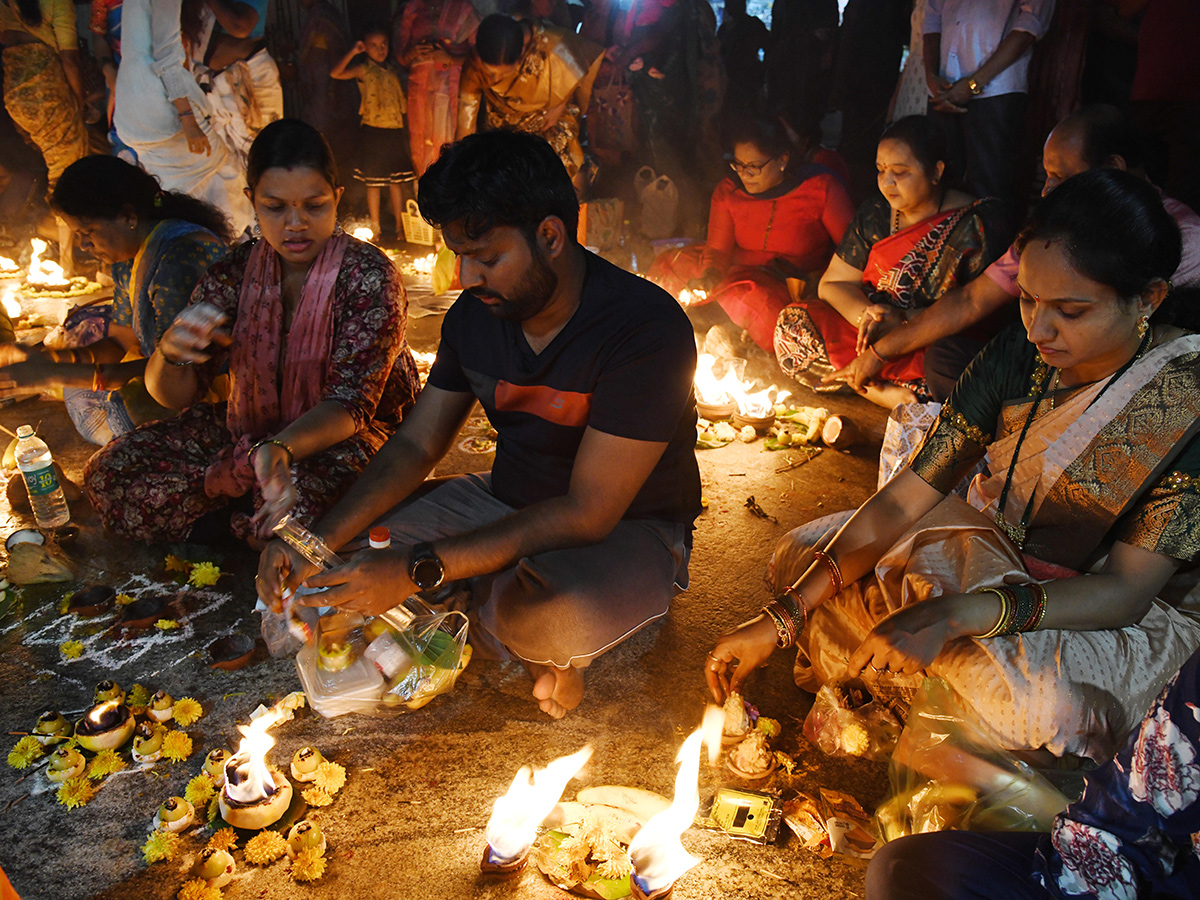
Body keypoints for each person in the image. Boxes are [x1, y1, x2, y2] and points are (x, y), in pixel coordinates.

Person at [708, 169, 1200, 762]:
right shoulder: (1018, 354)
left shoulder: (1185, 399)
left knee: (1041, 705)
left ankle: (942, 682)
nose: (1038, 328)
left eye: (1069, 310)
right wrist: (780, 618)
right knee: (800, 557)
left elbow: (1124, 592)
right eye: (1027, 298)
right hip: (991, 553)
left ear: (1148, 299)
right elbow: (900, 502)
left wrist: (956, 613)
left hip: (1099, 611)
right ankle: (940, 688)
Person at [255, 130, 701, 719]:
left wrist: (419, 567)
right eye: (458, 255)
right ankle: (475, 610)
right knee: (328, 583)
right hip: (501, 502)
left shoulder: (644, 330)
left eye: (487, 258)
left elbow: (589, 511)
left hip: (626, 529)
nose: (467, 276)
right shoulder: (475, 319)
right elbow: (417, 443)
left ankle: (486, 611)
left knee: (549, 618)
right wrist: (313, 540)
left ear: (550, 236)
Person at [83, 119, 421, 547]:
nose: (295, 223)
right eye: (275, 208)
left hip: (344, 437)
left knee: (304, 505)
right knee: (110, 471)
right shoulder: (233, 273)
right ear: (252, 202)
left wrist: (277, 451)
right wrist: (169, 355)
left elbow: (350, 407)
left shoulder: (369, 277)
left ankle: (238, 520)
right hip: (248, 430)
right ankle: (244, 526)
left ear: (336, 199)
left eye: (313, 206)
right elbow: (175, 396)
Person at [853, 105, 1200, 403]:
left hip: (1120, 386)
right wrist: (880, 351)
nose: (1048, 191)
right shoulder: (1051, 228)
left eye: (1060, 177)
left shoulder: (1181, 238)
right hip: (1048, 372)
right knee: (947, 358)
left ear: (1112, 167)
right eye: (1045, 176)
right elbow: (973, 300)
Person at [866, 640, 1200, 900]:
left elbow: (1127, 591)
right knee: (902, 869)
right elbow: (1135, 804)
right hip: (1140, 869)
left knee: (1046, 702)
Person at [775, 115, 1008, 408]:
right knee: (792, 328)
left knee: (954, 369)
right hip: (869, 338)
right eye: (880, 169)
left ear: (936, 172)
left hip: (927, 343)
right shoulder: (875, 213)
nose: (887, 182)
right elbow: (833, 283)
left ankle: (870, 383)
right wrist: (868, 319)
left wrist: (904, 323)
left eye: (900, 172)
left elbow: (977, 312)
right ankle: (879, 392)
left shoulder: (975, 224)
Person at [0, 156, 230, 445]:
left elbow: (174, 370)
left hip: (201, 387)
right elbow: (121, 341)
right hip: (159, 373)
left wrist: (50, 374)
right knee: (79, 393)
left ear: (128, 217)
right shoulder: (128, 255)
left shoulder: (179, 258)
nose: (84, 245)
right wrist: (49, 359)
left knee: (98, 412)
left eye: (88, 233)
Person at [648, 115, 854, 354]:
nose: (745, 174)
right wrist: (710, 277)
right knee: (670, 264)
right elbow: (717, 250)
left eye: (754, 167)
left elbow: (852, 253)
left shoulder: (820, 189)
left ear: (782, 160)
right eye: (739, 165)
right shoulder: (729, 191)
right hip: (734, 272)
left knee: (765, 308)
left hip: (788, 284)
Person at [113, 0, 253, 236]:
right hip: (160, 108)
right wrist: (187, 117)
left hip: (131, 110)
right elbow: (167, 59)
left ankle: (194, 248)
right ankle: (233, 248)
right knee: (220, 173)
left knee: (179, 193)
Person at [923, 0, 1055, 203]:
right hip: (943, 87)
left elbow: (1031, 24)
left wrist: (974, 84)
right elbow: (932, 18)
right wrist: (931, 75)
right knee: (938, 183)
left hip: (996, 90)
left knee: (989, 190)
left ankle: (987, 234)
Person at [456, 14, 603, 194]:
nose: (491, 80)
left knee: (553, 179)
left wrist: (560, 104)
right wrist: (460, 170)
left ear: (519, 60)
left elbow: (578, 69)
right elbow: (465, 126)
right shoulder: (477, 64)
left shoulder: (554, 44)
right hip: (505, 127)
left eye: (498, 75)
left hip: (549, 118)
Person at [330, 25, 414, 243]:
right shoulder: (363, 69)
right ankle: (375, 229)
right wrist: (353, 52)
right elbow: (335, 73)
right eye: (374, 46)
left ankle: (399, 228)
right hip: (372, 131)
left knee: (396, 181)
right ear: (365, 48)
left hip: (394, 130)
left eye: (384, 44)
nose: (380, 49)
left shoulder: (394, 70)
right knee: (374, 182)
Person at [0, 0, 89, 187]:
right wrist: (79, 102)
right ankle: (63, 214)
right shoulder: (57, 2)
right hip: (46, 92)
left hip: (14, 96)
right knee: (66, 170)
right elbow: (70, 60)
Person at [391, 0, 478, 177]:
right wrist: (415, 52)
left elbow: (480, 57)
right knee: (421, 142)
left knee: (449, 138)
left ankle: (452, 186)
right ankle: (425, 188)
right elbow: (401, 57)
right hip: (420, 88)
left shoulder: (462, 9)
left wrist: (449, 57)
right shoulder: (412, 9)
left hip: (452, 86)